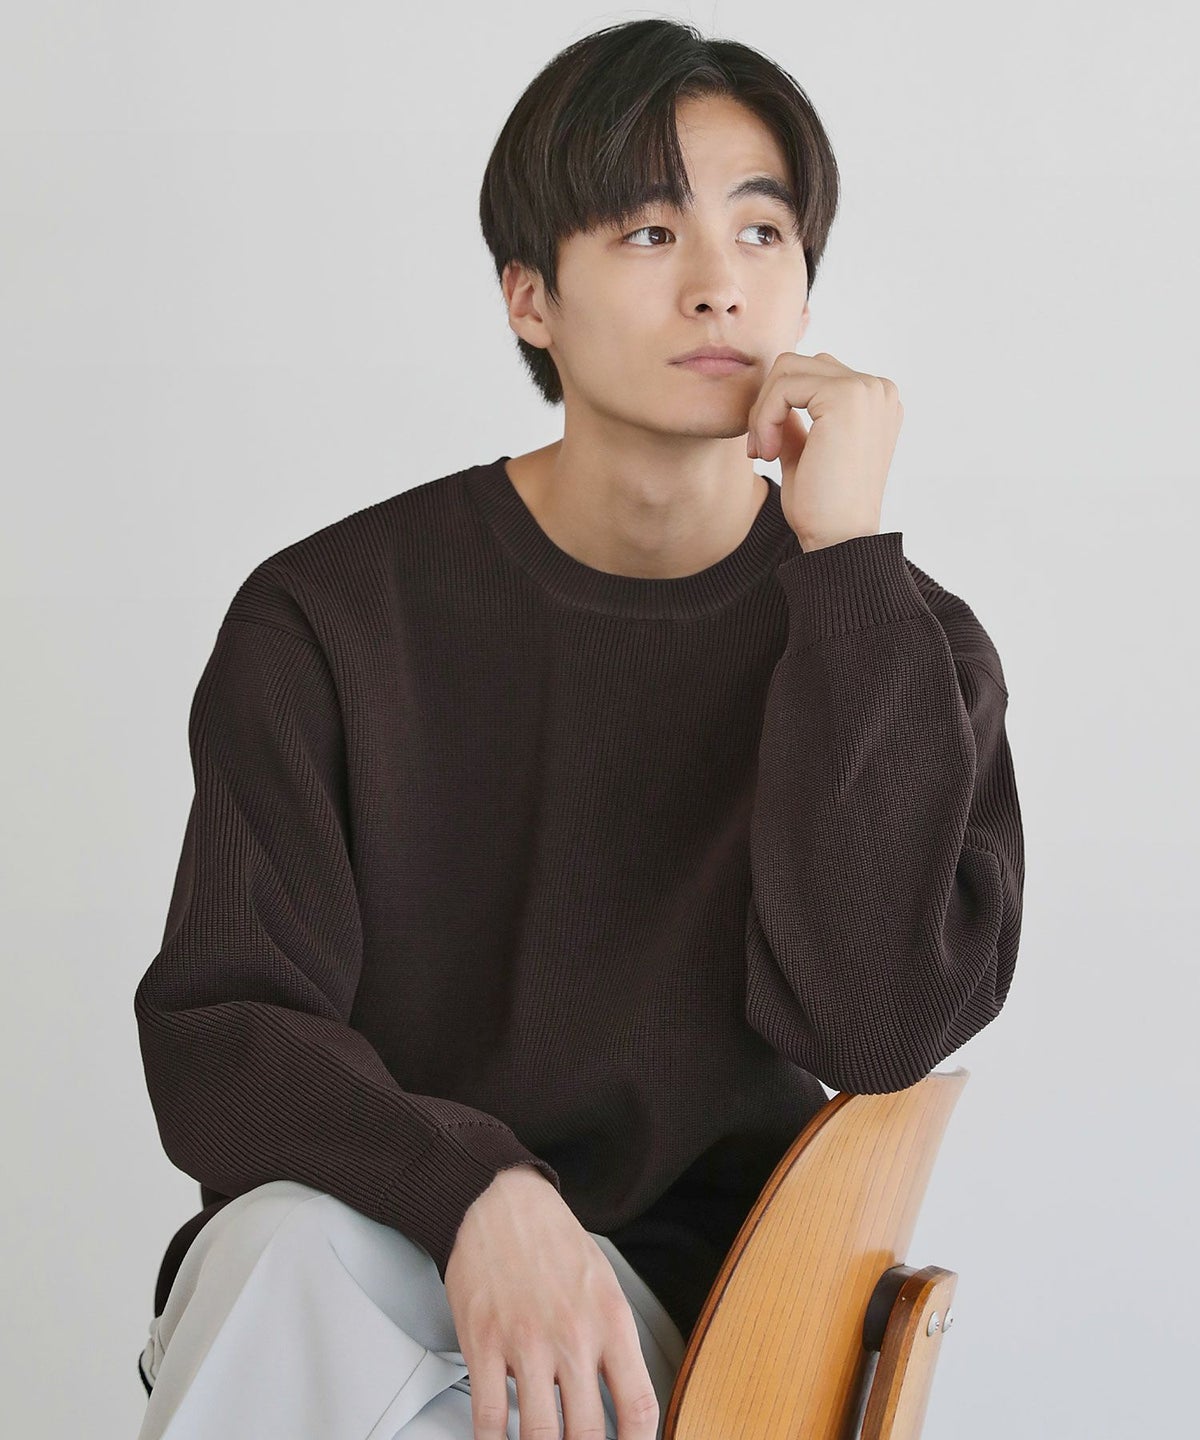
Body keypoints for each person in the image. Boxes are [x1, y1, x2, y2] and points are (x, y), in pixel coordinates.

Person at [133, 17, 1026, 1440]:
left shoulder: (900, 643)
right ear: (529, 298)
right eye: (650, 233)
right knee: (288, 1253)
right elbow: (220, 1034)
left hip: (690, 1341)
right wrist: (478, 1193)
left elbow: (875, 1030)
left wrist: (846, 568)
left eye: (762, 231)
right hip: (373, 1267)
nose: (720, 283)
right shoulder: (331, 620)